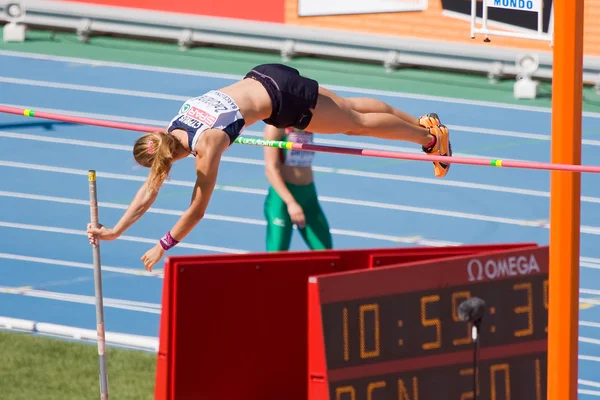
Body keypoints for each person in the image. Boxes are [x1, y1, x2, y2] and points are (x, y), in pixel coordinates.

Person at [87, 63, 451, 271]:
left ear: (165, 160)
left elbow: (197, 209)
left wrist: (163, 245)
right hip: (266, 75)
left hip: (281, 101)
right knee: (347, 105)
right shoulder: (174, 123)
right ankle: (425, 123)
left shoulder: (207, 145)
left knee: (354, 121)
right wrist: (116, 230)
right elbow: (150, 188)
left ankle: (429, 141)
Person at [263, 125, 332, 252]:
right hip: (283, 199)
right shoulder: (275, 126)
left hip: (308, 195)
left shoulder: (308, 119)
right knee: (276, 255)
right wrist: (291, 203)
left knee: (325, 251)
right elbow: (271, 169)